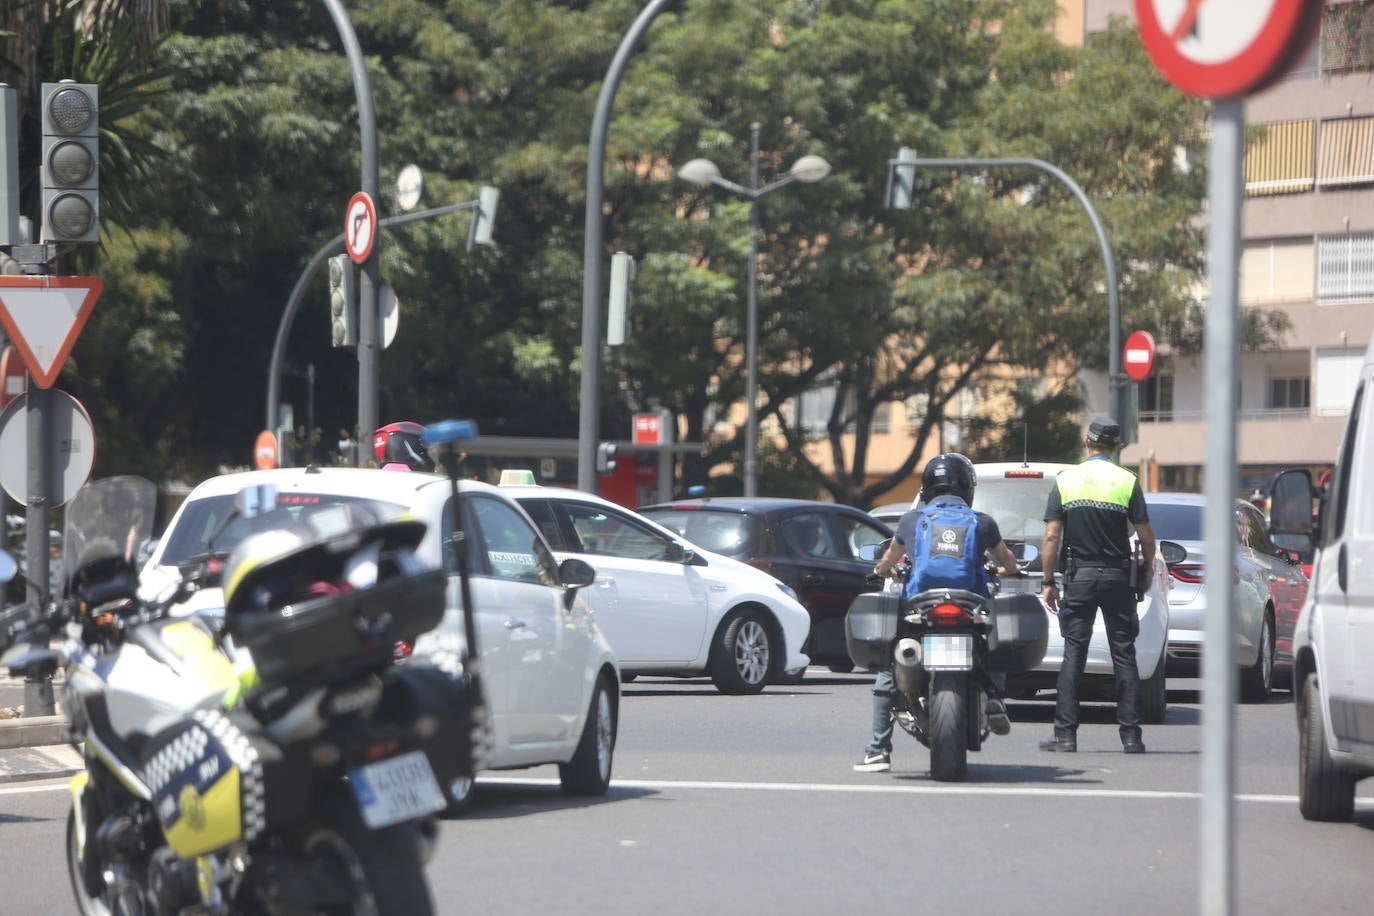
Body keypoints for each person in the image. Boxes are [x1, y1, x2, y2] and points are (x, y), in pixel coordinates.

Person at [854, 453, 1021, 773]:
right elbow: (1008, 561)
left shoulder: (911, 520)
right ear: (966, 488)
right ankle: (995, 695)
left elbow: (889, 559)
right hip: (969, 603)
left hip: (921, 605)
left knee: (888, 672)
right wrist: (1006, 570)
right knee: (992, 643)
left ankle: (878, 750)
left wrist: (880, 569)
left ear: (928, 486)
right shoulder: (982, 522)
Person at [1039, 416, 1156, 755]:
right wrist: (1147, 572)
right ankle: (1131, 737)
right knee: (1124, 653)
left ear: (1087, 442)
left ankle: (1065, 736)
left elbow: (1051, 535)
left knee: (1074, 653)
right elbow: (1146, 536)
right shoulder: (1127, 481)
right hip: (1118, 577)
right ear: (1117, 447)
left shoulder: (1067, 480)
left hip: (1080, 577)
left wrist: (1048, 581)